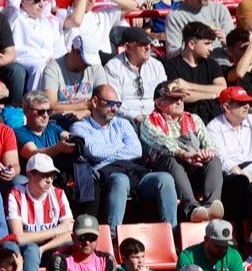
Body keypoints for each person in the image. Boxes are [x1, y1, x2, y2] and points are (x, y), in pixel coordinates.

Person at [72, 84, 179, 234]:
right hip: (106, 177)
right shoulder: (80, 127)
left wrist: (109, 155)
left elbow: (136, 150)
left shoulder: (123, 123)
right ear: (95, 102)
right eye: (110, 104)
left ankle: (171, 234)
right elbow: (93, 152)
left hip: (133, 172)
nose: (115, 109)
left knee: (165, 178)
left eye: (117, 104)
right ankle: (113, 236)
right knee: (121, 179)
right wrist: (121, 147)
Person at [141, 79, 223, 224]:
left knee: (214, 160)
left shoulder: (194, 119)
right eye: (173, 99)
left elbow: (209, 144)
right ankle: (192, 209)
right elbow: (162, 142)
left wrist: (206, 153)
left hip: (193, 165)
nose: (179, 102)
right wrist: (183, 153)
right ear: (159, 103)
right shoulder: (149, 121)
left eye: (181, 98)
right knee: (172, 160)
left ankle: (211, 208)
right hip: (164, 168)